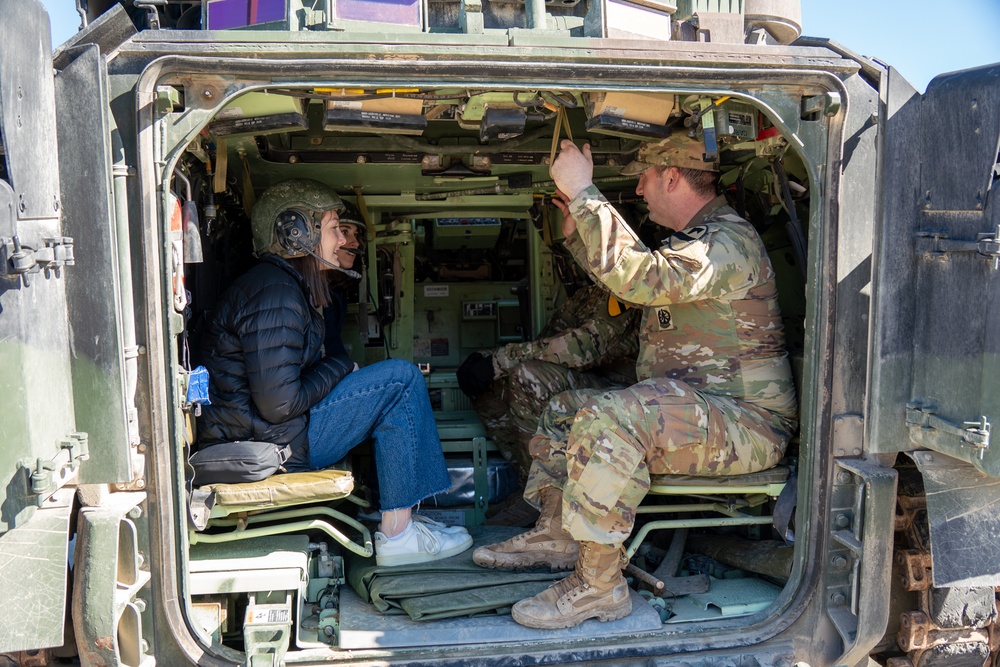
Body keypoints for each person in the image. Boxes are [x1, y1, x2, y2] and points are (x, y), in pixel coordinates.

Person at [472, 136, 798, 629]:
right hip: (700, 412)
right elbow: (637, 286)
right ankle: (559, 535)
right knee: (564, 408)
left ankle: (599, 587)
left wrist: (585, 191)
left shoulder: (728, 241)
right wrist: (579, 232)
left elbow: (640, 279)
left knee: (612, 416)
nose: (639, 190)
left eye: (643, 178)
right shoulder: (696, 241)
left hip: (747, 424)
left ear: (671, 177)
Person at [197, 179, 472, 567]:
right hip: (276, 445)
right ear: (296, 234)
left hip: (275, 433)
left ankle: (403, 521)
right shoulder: (274, 294)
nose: (340, 241)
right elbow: (280, 403)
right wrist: (341, 366)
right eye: (331, 230)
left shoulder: (279, 287)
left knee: (394, 381)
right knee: (401, 379)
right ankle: (398, 534)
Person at [456, 282, 641, 526]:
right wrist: (489, 362)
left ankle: (541, 495)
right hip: (589, 380)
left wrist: (498, 361)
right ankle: (527, 490)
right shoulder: (585, 294)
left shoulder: (622, 288)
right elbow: (549, 341)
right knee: (490, 383)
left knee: (527, 376)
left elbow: (584, 348)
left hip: (623, 389)